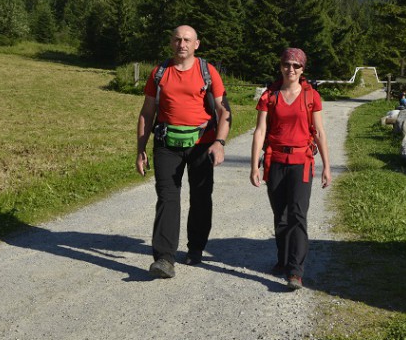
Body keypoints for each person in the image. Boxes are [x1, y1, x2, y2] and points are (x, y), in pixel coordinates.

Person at [136, 25, 231, 279]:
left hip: (202, 144)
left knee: (201, 197)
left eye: (187, 40)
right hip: (167, 144)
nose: (182, 44)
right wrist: (140, 149)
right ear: (171, 42)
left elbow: (224, 111)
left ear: (196, 44)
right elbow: (147, 113)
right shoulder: (159, 73)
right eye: (177, 39)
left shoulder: (208, 72)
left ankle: (196, 247)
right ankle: (165, 258)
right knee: (168, 197)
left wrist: (219, 143)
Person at [250, 48, 331, 290]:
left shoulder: (311, 96)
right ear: (281, 66)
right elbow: (260, 132)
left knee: (297, 215)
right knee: (281, 216)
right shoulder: (269, 96)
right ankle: (283, 260)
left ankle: (295, 271)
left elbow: (319, 133)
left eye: (296, 66)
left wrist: (327, 166)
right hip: (275, 161)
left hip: (301, 163)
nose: (291, 69)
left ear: (303, 70)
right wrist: (254, 165)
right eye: (287, 64)